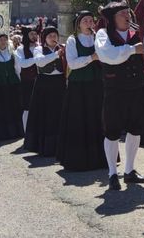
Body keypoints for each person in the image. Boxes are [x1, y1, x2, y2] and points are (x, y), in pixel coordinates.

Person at [95, 0, 144, 191]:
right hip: (115, 89)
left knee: (136, 129)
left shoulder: (137, 32)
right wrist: (133, 49)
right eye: (122, 13)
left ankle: (129, 170)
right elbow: (108, 55)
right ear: (112, 17)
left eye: (128, 12)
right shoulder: (103, 34)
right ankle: (112, 173)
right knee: (112, 132)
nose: (127, 16)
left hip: (138, 87)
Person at [57, 11, 106, 171]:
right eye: (85, 21)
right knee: (79, 119)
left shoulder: (97, 38)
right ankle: (77, 158)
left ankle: (100, 157)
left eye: (91, 20)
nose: (89, 23)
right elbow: (72, 62)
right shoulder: (72, 40)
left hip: (96, 83)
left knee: (97, 118)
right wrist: (91, 58)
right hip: (79, 85)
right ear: (78, 24)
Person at [23, 27, 67, 157]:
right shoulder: (38, 49)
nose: (53, 38)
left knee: (59, 114)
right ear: (45, 39)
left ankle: (61, 145)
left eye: (55, 35)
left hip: (59, 83)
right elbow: (40, 62)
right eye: (50, 36)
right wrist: (56, 55)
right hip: (44, 84)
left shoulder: (63, 48)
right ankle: (45, 146)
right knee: (45, 114)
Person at [15, 22, 42, 134]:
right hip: (27, 82)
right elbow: (23, 64)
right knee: (27, 108)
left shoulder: (40, 47)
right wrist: (37, 59)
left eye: (35, 34)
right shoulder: (20, 49)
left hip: (40, 81)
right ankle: (27, 132)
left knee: (39, 107)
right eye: (31, 34)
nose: (34, 36)